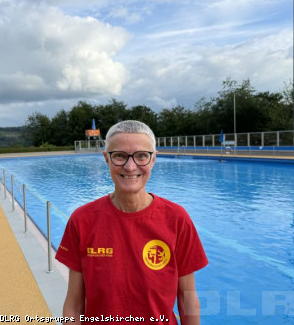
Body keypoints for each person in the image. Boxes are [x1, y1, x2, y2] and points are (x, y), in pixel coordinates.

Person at [55, 120, 208, 324]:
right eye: (119, 156)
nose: (130, 166)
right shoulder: (82, 220)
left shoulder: (177, 219)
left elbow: (187, 299)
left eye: (141, 156)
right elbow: (74, 305)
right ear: (106, 159)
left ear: (153, 160)